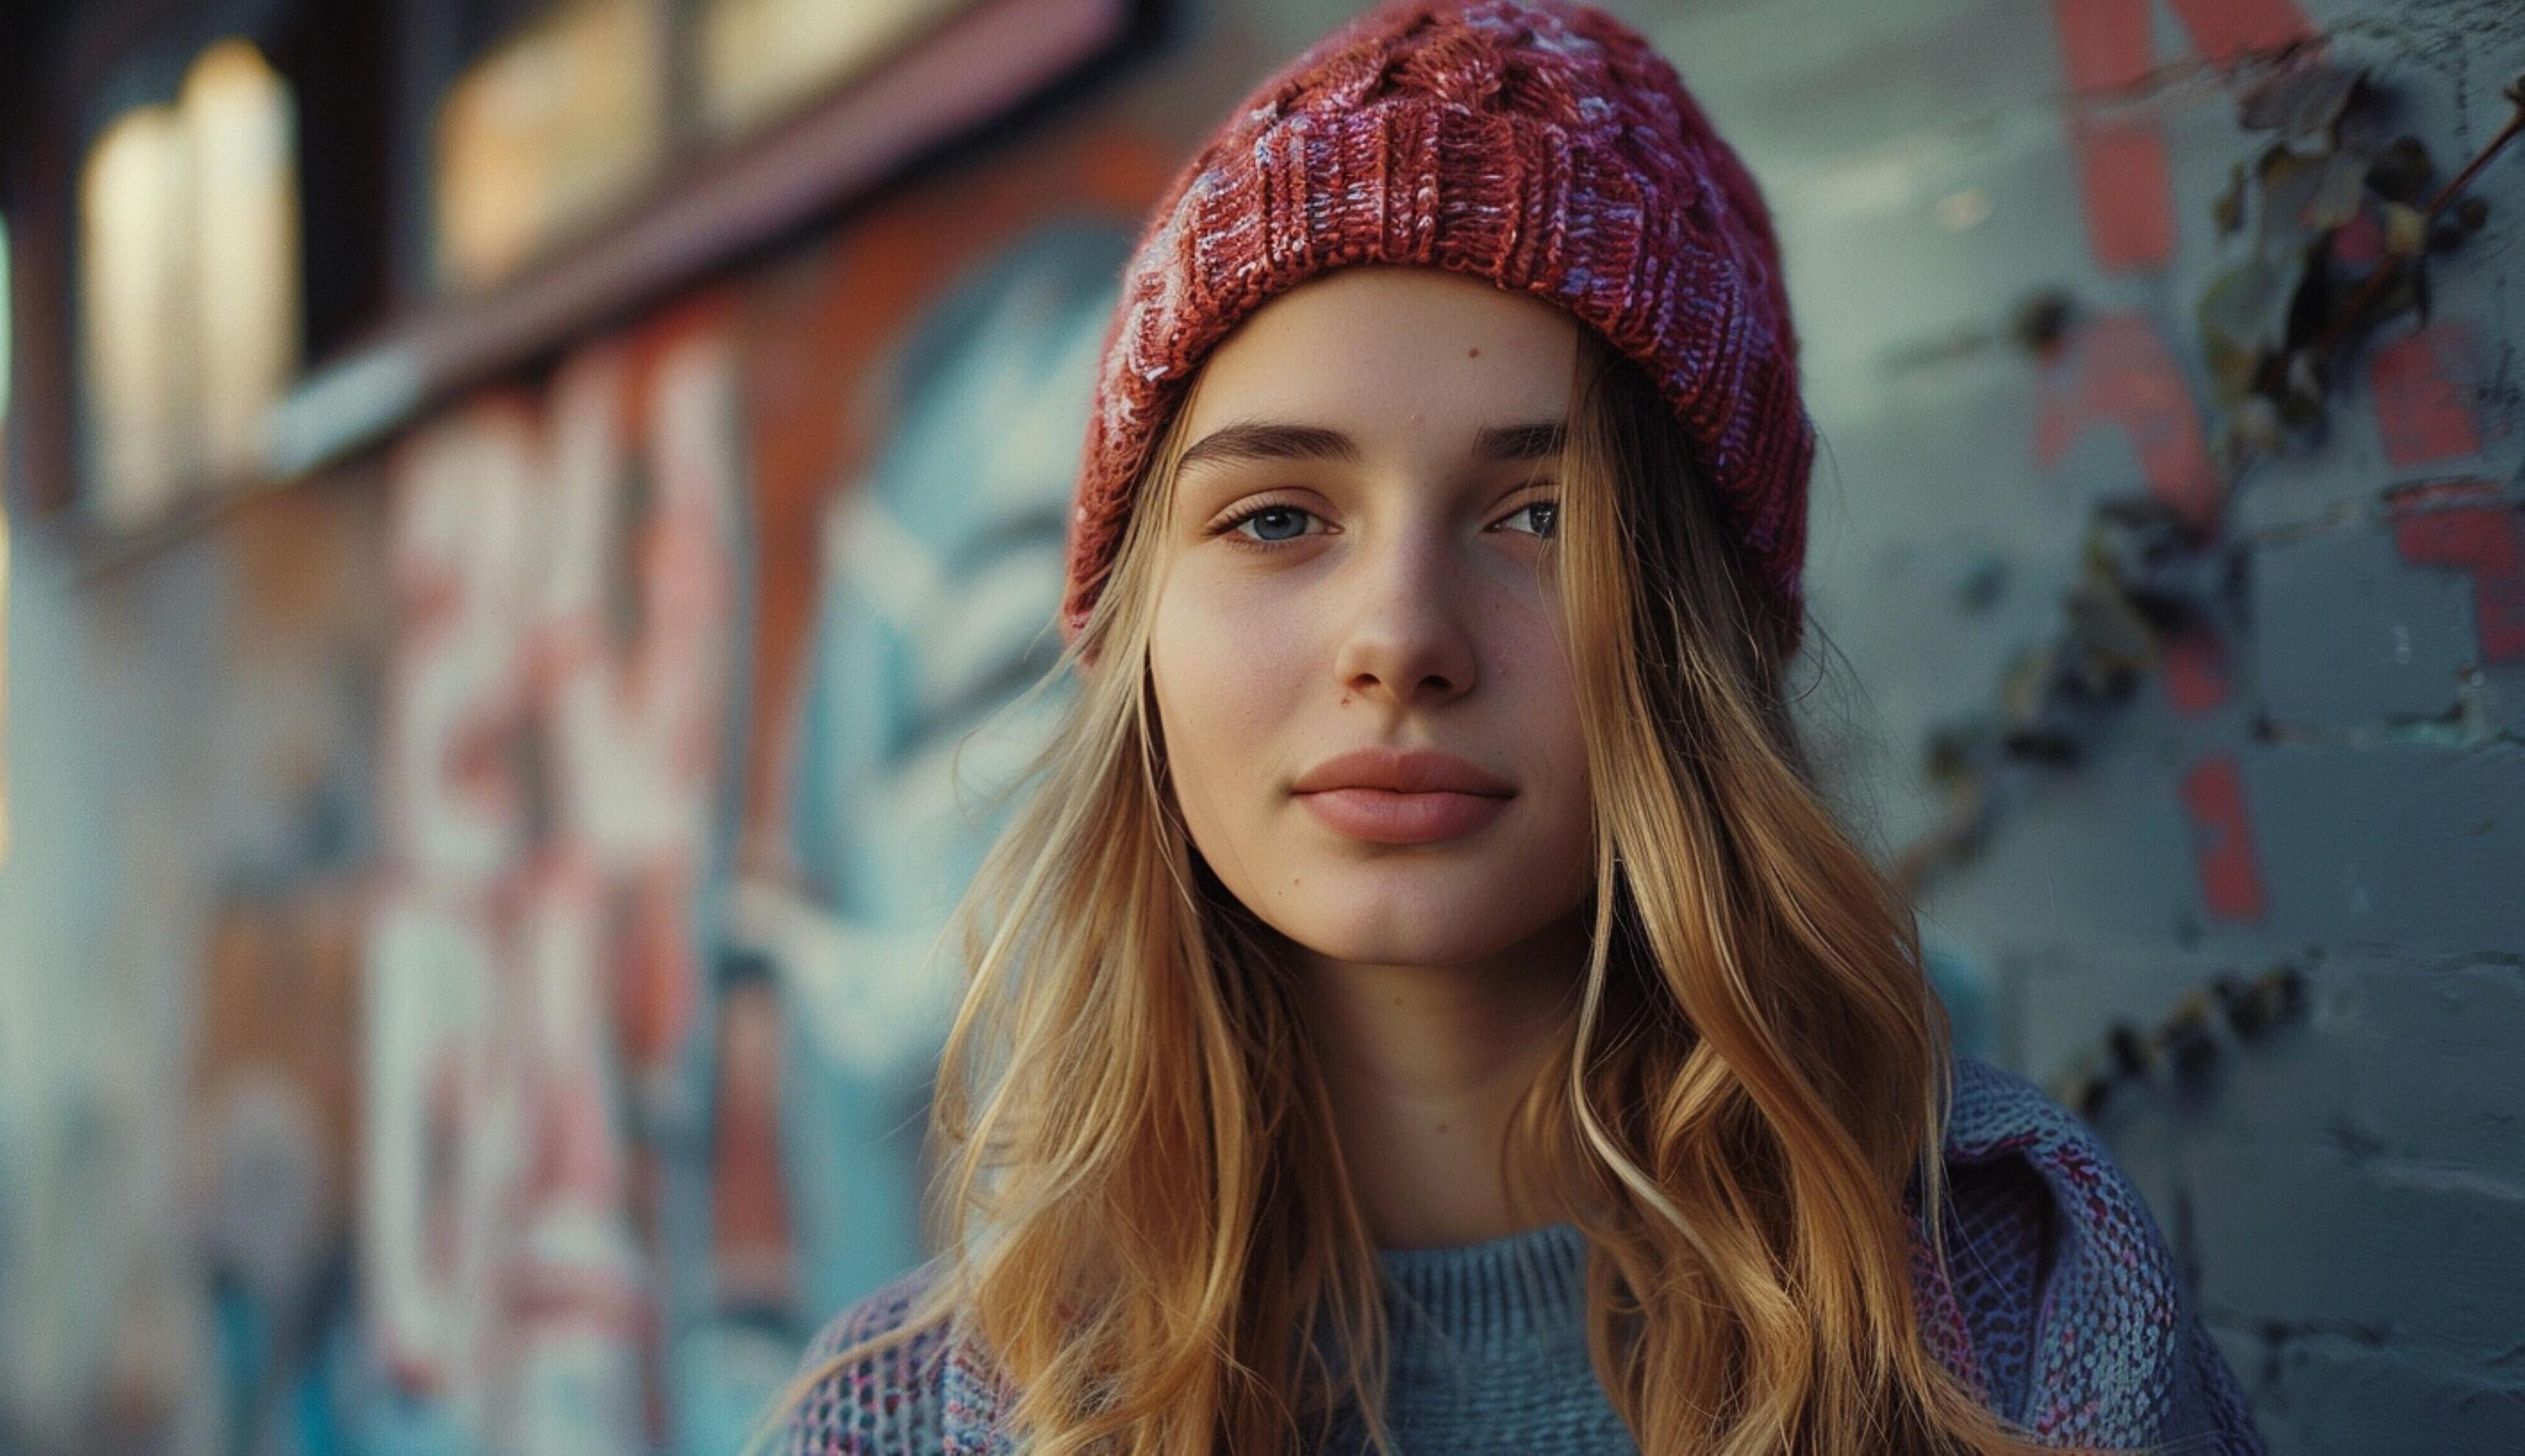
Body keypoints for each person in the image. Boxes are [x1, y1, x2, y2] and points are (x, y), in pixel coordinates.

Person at [759, 0, 2266, 1450]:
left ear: (1702, 627)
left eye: (1544, 514)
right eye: (1278, 514)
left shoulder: (2024, 1326)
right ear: (1135, 638)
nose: (1401, 636)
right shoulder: (901, 1421)